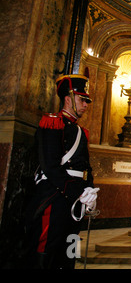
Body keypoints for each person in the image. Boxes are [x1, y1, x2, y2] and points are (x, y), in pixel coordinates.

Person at [24, 71, 98, 269]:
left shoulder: (81, 132)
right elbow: (50, 166)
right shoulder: (51, 123)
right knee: (48, 247)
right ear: (68, 99)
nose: (85, 104)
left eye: (86, 100)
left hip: (75, 201)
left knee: (70, 249)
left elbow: (86, 167)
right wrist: (78, 192)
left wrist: (90, 190)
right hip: (54, 198)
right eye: (82, 99)